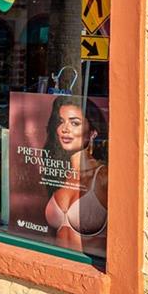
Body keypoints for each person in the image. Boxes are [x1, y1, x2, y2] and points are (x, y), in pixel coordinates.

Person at [41, 95, 108, 252]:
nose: (65, 129)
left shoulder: (104, 177)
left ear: (92, 133)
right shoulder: (57, 173)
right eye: (60, 122)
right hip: (56, 265)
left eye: (74, 123)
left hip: (88, 269)